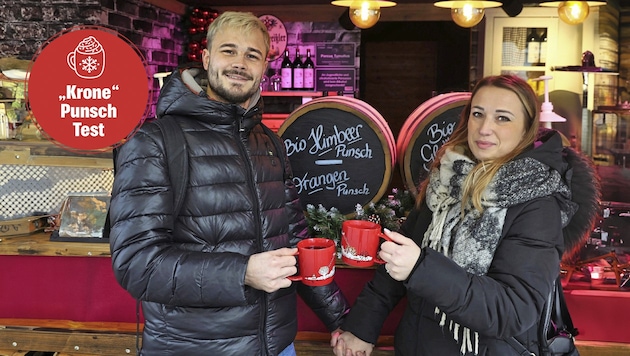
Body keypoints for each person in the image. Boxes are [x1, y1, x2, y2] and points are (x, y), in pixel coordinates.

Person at [109, 11, 348, 355]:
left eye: (252, 55)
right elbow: (136, 264)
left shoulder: (269, 142)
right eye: (229, 51)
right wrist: (242, 273)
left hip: (277, 346)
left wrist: (340, 320)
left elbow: (298, 242)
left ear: (264, 67)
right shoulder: (156, 142)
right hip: (194, 348)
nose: (240, 63)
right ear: (206, 58)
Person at [331, 75, 599, 356]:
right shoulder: (446, 182)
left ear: (526, 131)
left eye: (503, 118)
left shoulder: (536, 204)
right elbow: (396, 265)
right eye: (478, 114)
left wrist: (422, 268)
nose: (485, 128)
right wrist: (361, 328)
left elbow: (513, 311)